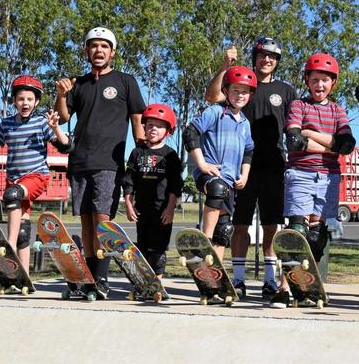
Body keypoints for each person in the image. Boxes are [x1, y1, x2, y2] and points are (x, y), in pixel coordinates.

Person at [55, 27, 147, 298]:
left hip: (109, 162)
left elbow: (137, 119)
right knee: (85, 221)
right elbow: (62, 118)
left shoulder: (125, 81)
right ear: (86, 51)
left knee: (102, 221)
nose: (99, 50)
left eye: (104, 46)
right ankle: (88, 277)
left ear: (113, 52)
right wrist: (61, 93)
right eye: (93, 46)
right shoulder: (78, 84)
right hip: (80, 161)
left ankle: (102, 277)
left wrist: (141, 150)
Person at [204, 38, 296, 301]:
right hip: (239, 169)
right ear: (255, 57)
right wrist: (224, 66)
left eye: (273, 57)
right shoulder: (241, 84)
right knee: (240, 225)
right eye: (262, 55)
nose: (267, 60)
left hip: (274, 167)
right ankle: (239, 280)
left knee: (270, 227)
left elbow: (297, 122)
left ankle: (269, 281)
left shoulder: (286, 91)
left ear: (277, 62)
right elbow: (212, 96)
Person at [270, 53, 355, 308]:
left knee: (317, 237)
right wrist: (331, 145)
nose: (320, 85)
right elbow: (294, 141)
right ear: (307, 80)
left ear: (333, 84)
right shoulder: (299, 106)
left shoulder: (338, 111)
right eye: (315, 80)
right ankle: (284, 288)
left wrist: (310, 134)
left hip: (328, 177)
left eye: (325, 81)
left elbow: (347, 145)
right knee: (297, 232)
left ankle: (307, 286)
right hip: (300, 174)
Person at [0, 75, 72, 274]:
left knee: (13, 195)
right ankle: (22, 274)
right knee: (23, 232)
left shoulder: (41, 123)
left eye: (29, 99)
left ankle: (8, 244)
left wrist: (55, 128)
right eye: (20, 99)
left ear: (37, 102)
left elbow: (65, 146)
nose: (25, 103)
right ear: (15, 101)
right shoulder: (7, 124)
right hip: (14, 179)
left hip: (37, 177)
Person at [184, 66, 255, 271]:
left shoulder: (245, 123)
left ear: (250, 95)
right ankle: (204, 240)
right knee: (217, 190)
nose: (240, 95)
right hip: (209, 175)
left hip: (231, 180)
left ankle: (214, 273)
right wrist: (201, 164)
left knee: (224, 231)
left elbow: (249, 151)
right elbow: (191, 133)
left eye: (245, 91)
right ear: (226, 90)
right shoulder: (215, 111)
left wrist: (245, 175)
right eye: (235, 90)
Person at [123, 103, 183, 296]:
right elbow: (129, 180)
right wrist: (129, 204)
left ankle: (157, 284)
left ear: (168, 130)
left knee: (158, 250)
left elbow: (175, 185)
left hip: (162, 211)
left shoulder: (170, 155)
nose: (153, 129)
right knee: (142, 248)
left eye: (159, 125)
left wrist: (171, 208)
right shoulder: (137, 152)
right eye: (149, 125)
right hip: (142, 210)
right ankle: (143, 283)